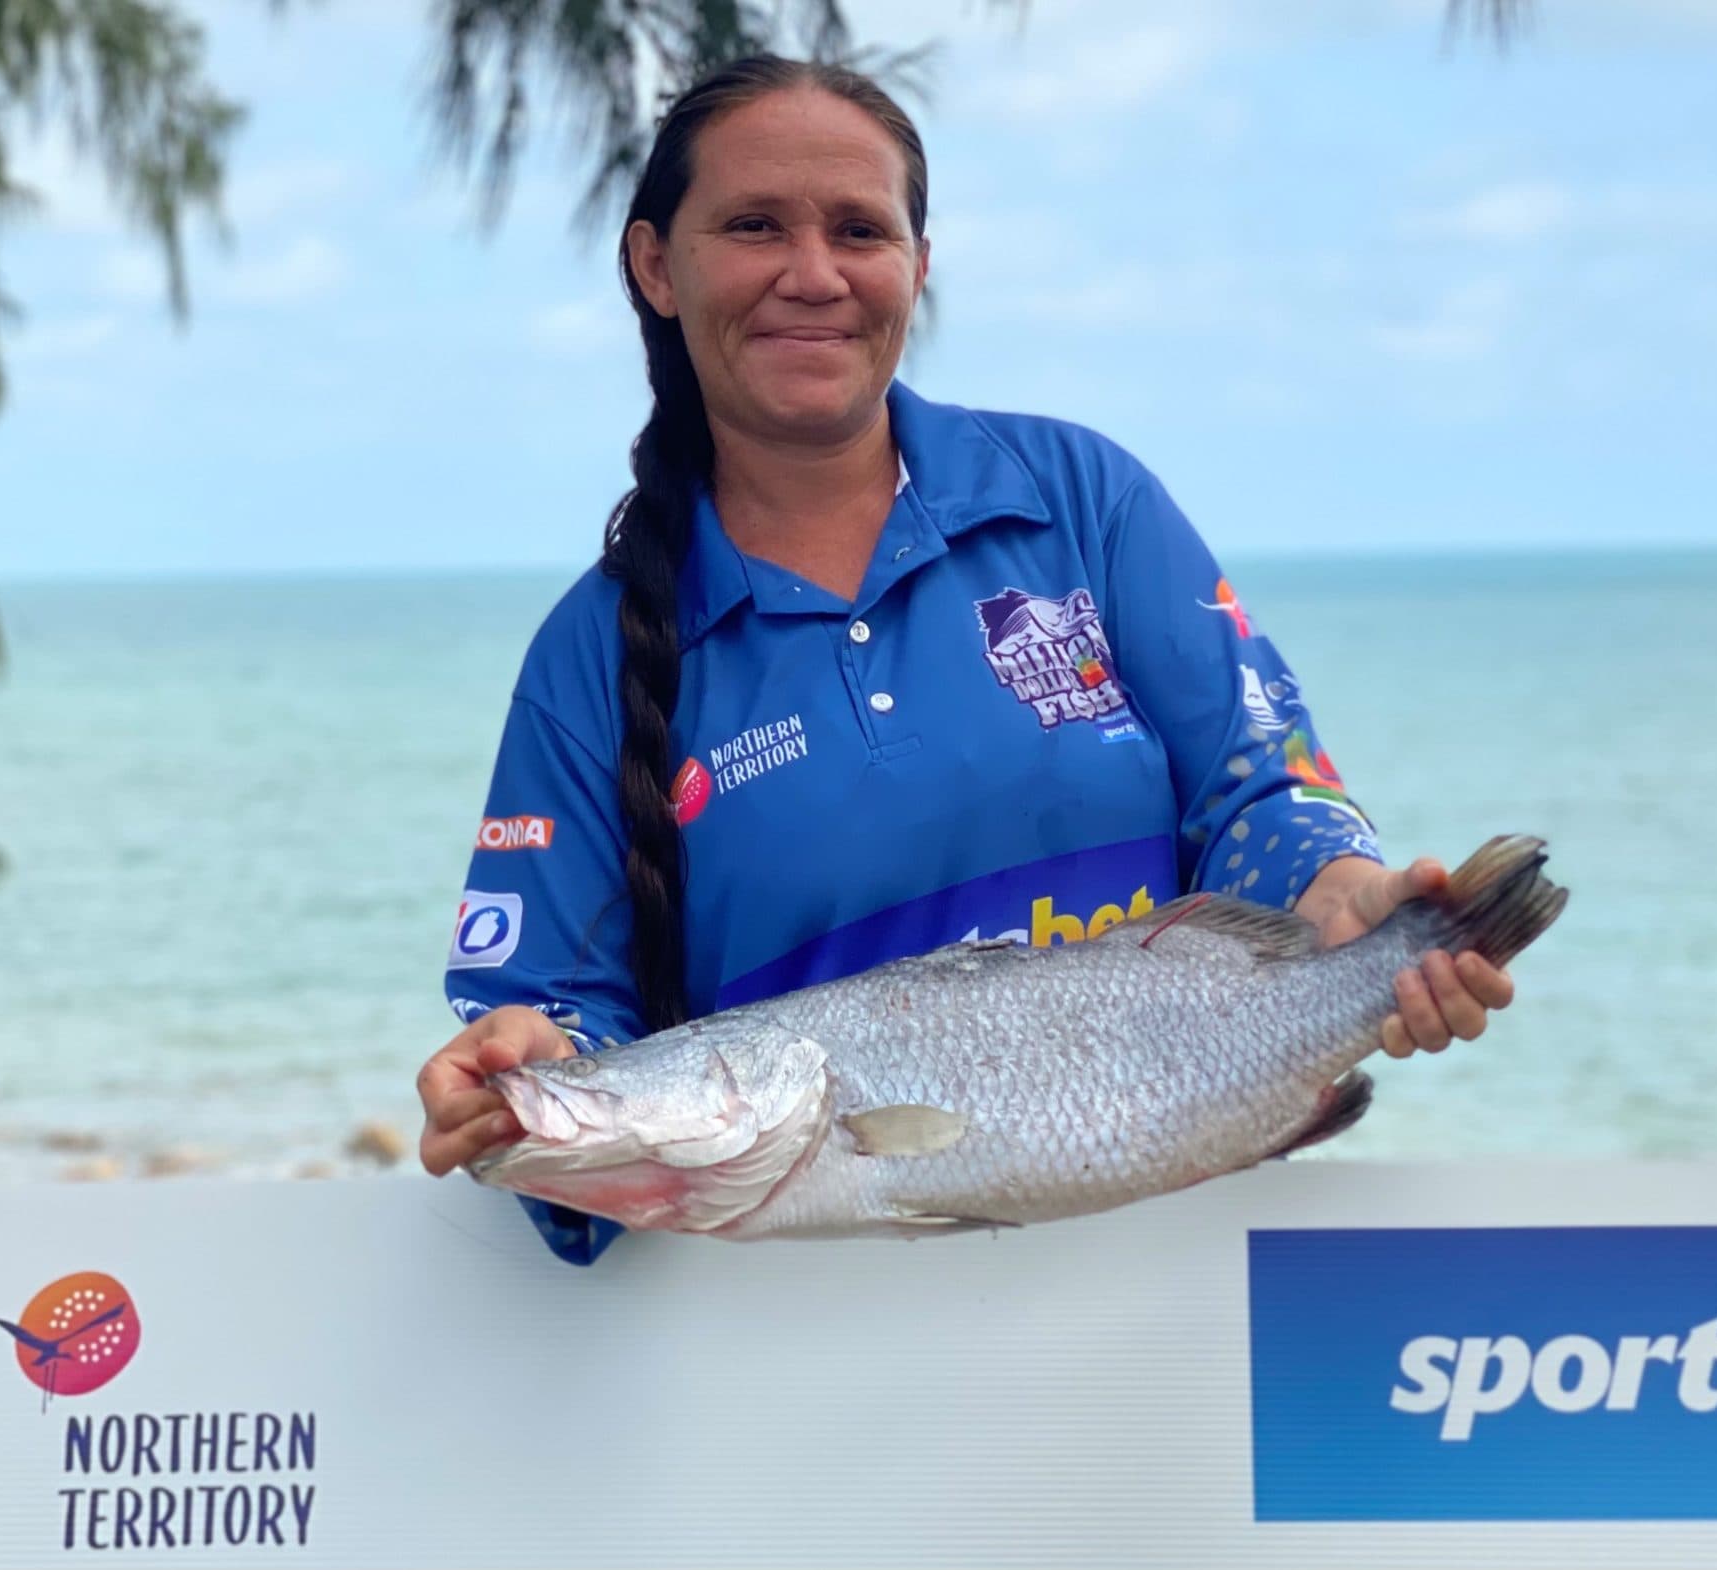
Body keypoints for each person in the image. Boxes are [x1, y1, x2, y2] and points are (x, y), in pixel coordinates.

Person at [414, 55, 1516, 1265]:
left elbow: (1256, 787)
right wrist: (521, 1063)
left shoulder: (1080, 499)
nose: (813, 273)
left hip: (1179, 1271)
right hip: (799, 1351)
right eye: (752, 226)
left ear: (917, 268)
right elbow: (557, 1018)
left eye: (858, 230)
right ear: (654, 266)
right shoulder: (591, 655)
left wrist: (1345, 899)